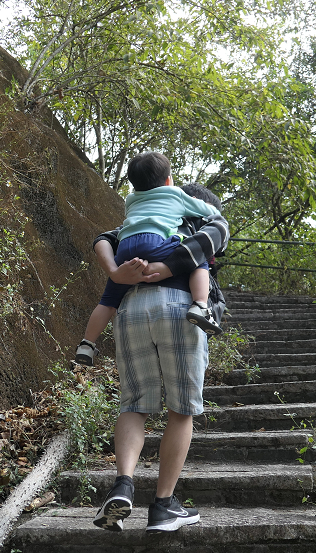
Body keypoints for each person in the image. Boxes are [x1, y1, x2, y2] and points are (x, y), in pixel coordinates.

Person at [90, 177, 230, 533]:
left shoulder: (139, 220)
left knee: (134, 404)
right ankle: (164, 506)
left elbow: (104, 238)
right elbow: (220, 230)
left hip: (130, 308)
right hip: (179, 308)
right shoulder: (199, 220)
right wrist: (170, 268)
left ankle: (123, 484)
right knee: (181, 409)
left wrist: (112, 272)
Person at [74, 152, 222, 367]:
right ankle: (200, 306)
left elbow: (112, 234)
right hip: (156, 242)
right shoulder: (175, 195)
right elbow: (210, 211)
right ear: (169, 180)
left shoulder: (131, 200)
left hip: (124, 247)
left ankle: (86, 344)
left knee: (107, 301)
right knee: (198, 260)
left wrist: (116, 271)